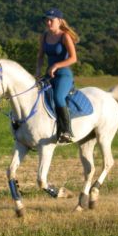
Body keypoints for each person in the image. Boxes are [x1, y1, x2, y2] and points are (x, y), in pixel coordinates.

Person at [36, 8, 79, 143]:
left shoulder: (64, 36)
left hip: (63, 74)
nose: (48, 23)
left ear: (59, 21)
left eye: (51, 20)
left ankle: (66, 131)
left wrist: (56, 65)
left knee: (58, 97)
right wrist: (37, 71)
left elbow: (73, 58)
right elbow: (40, 56)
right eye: (46, 20)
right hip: (49, 74)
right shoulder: (44, 36)